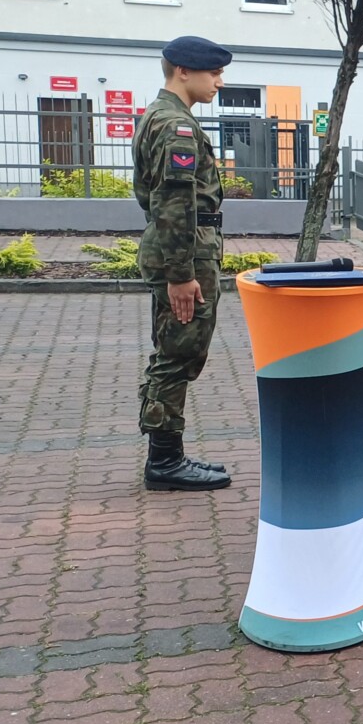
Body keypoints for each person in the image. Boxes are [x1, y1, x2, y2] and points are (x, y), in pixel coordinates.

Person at [133, 36, 234, 492]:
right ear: (183, 71)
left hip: (181, 248)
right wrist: (181, 275)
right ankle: (165, 461)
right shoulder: (176, 126)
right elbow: (173, 202)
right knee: (179, 355)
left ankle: (166, 453)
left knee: (172, 351)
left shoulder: (160, 116)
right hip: (186, 252)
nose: (219, 82)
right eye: (214, 73)